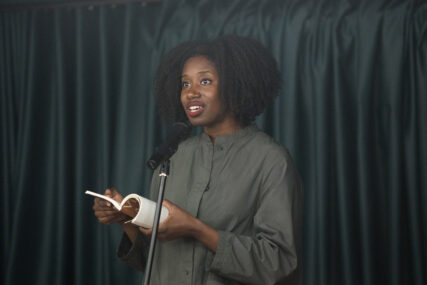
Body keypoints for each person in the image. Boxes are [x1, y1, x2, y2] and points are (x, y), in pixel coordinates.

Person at [92, 35, 303, 285]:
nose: (191, 93)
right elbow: (154, 262)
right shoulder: (172, 157)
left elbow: (278, 264)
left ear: (236, 85)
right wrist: (126, 218)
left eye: (205, 81)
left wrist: (197, 229)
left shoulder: (270, 160)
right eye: (184, 84)